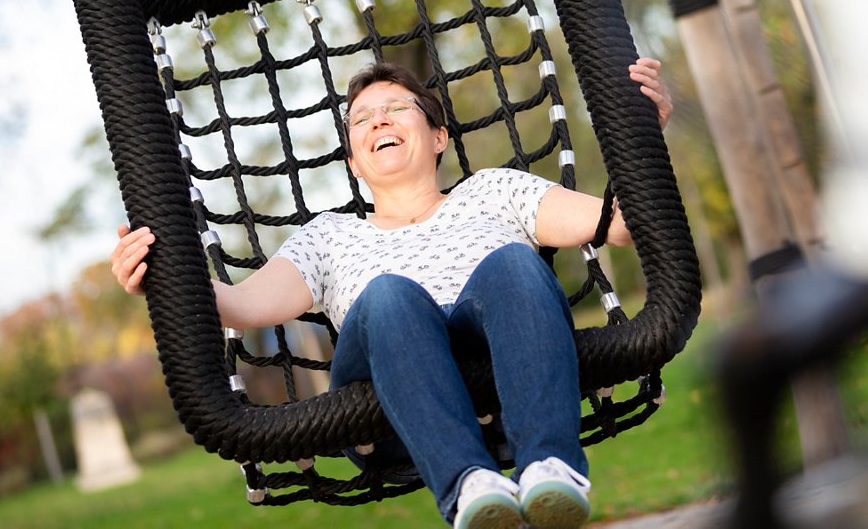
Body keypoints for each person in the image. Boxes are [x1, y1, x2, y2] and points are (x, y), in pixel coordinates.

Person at [112, 57, 672, 529]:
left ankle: (549, 466)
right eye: (361, 118)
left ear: (438, 137)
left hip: (510, 382)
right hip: (389, 411)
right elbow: (239, 304)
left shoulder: (494, 191)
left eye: (398, 107)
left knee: (513, 264)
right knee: (388, 295)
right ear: (354, 162)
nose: (378, 118)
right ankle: (468, 483)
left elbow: (617, 224)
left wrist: (644, 136)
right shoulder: (330, 236)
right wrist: (163, 276)